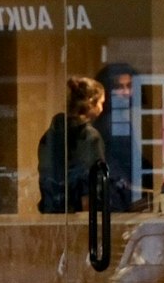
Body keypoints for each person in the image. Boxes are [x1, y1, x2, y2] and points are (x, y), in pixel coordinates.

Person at [36, 77, 108, 214]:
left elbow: (46, 177)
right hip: (80, 213)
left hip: (52, 210)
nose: (102, 108)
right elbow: (89, 183)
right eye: (101, 103)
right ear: (91, 103)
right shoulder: (89, 137)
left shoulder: (51, 135)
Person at [94, 61, 146, 211]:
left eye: (129, 86)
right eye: (119, 87)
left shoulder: (120, 120)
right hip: (114, 197)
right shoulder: (111, 122)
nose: (126, 92)